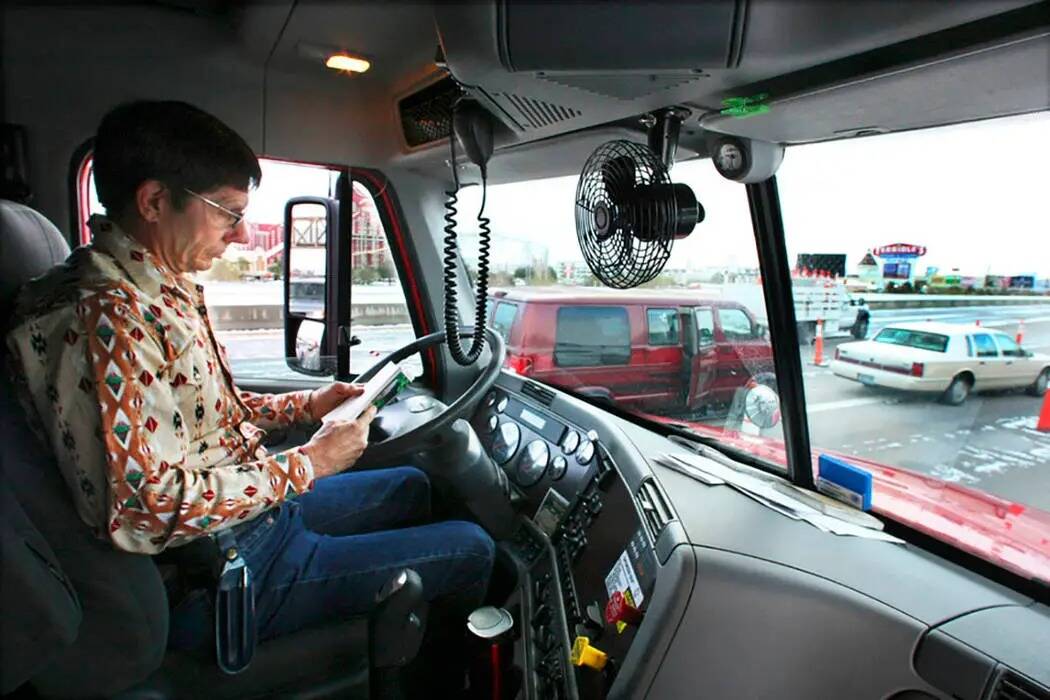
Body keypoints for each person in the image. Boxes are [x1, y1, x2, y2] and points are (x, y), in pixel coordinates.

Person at [4, 101, 494, 685]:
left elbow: (204, 416)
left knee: (414, 485)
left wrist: (306, 407)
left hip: (249, 519)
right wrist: (310, 462)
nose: (238, 236)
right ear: (156, 202)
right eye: (226, 214)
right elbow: (145, 507)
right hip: (218, 569)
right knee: (471, 548)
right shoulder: (107, 319)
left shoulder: (151, 287)